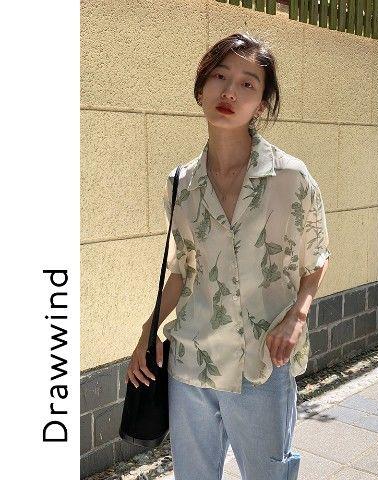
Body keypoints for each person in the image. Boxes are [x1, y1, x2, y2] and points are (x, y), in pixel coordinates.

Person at [125, 32, 331, 480]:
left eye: (247, 83)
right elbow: (183, 269)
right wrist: (148, 329)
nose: (230, 92)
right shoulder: (180, 184)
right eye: (219, 76)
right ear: (201, 88)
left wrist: (298, 315)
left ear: (261, 104)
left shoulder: (291, 179)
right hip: (191, 363)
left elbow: (317, 256)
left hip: (261, 364)